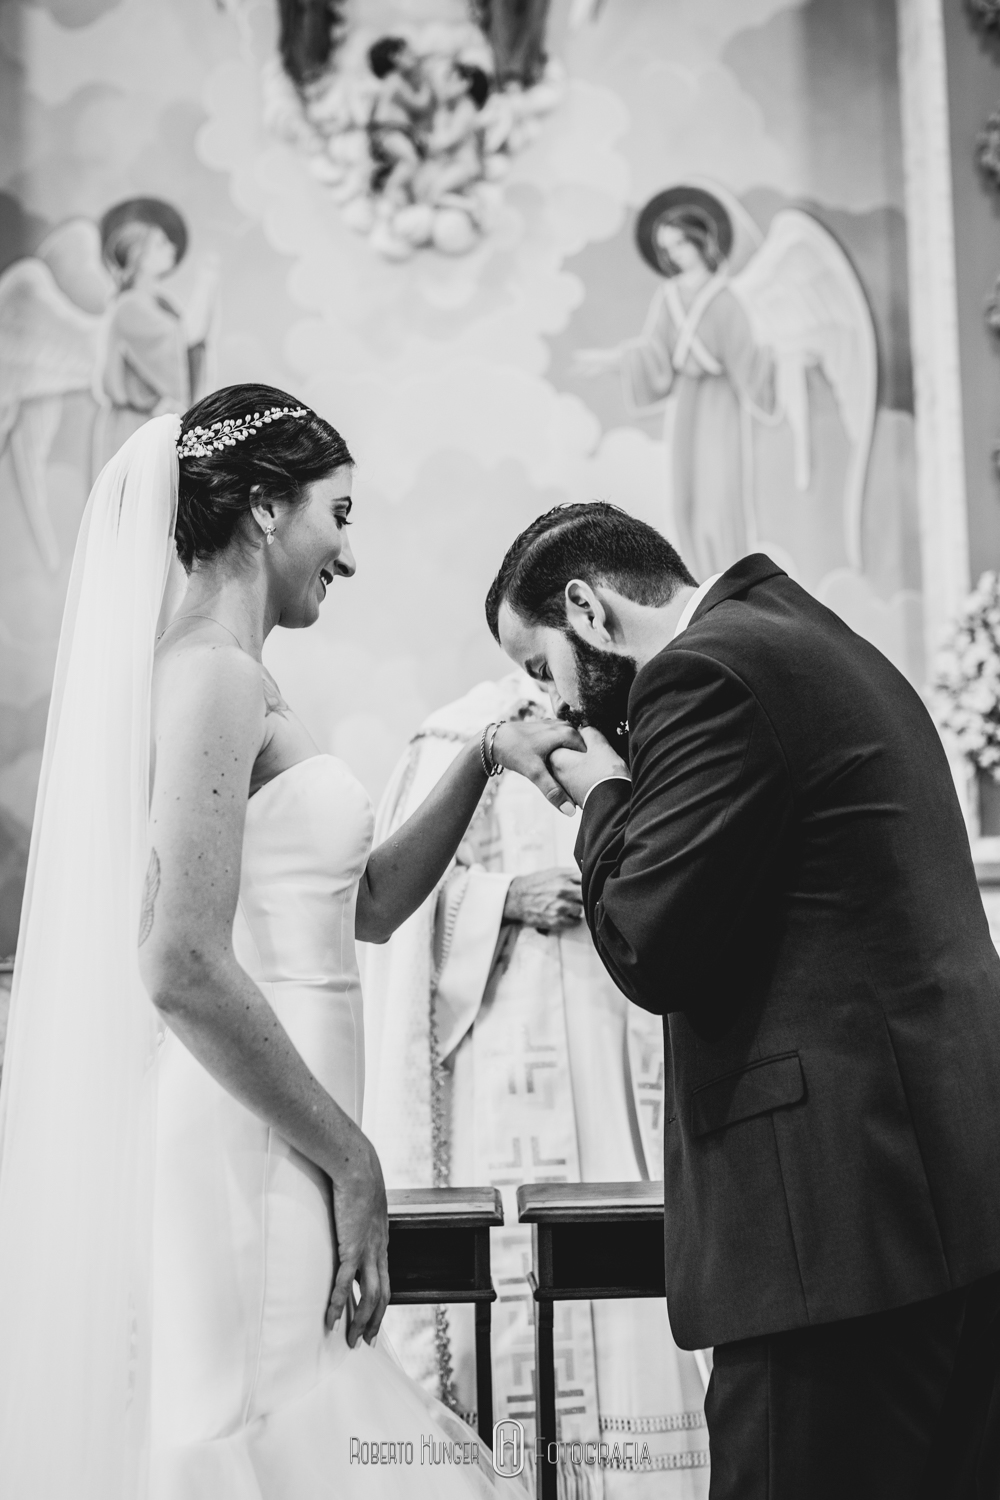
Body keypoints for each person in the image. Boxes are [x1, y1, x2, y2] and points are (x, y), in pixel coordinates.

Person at [0, 382, 584, 1498]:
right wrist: (351, 1158)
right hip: (246, 1147)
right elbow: (178, 961)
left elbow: (359, 908)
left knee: (285, 1421)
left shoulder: (241, 676)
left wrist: (480, 760)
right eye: (340, 512)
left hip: (276, 1140)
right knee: (252, 1432)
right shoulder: (211, 676)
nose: (348, 554)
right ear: (267, 508)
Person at [484, 500, 1000, 1500]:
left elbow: (646, 942)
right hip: (944, 1206)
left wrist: (596, 790)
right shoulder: (812, 637)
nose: (549, 698)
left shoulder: (699, 672)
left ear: (588, 610)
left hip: (832, 1241)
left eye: (540, 667)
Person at [362, 672, 711, 1496]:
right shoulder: (453, 739)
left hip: (611, 1057)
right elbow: (392, 913)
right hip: (499, 1063)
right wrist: (501, 899)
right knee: (519, 1285)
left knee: (615, 1271)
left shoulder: (627, 734)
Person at [92, 197, 217, 478]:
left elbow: (190, 344)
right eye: (160, 243)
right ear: (139, 254)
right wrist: (206, 283)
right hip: (134, 430)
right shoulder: (130, 307)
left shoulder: (160, 304)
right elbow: (184, 338)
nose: (171, 249)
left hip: (152, 426)